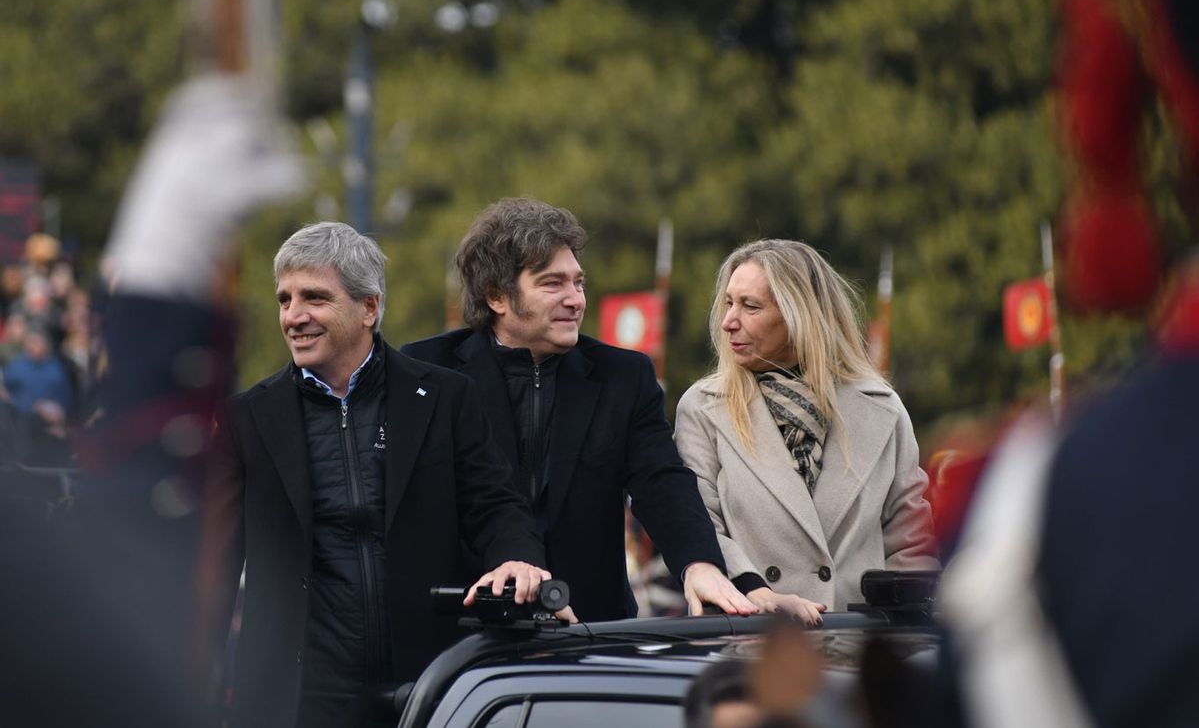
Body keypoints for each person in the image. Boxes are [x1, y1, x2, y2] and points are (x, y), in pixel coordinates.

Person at [199, 221, 551, 728]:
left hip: (429, 685)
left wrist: (518, 558)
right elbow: (213, 565)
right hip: (297, 699)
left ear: (369, 308)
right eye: (284, 300)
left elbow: (494, 504)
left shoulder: (446, 398)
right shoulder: (245, 420)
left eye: (314, 298)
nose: (293, 317)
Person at [402, 196, 755, 621]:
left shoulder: (623, 376)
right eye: (553, 284)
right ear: (497, 296)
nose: (575, 300)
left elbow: (660, 480)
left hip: (592, 632)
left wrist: (698, 563)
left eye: (579, 283)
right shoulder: (426, 371)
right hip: (461, 629)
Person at [674, 239, 937, 618]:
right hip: (751, 645)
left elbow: (912, 545)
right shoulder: (702, 409)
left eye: (750, 306)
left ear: (801, 315)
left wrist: (899, 642)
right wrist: (754, 593)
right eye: (729, 303)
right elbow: (700, 529)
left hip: (859, 652)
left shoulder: (882, 409)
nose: (729, 320)